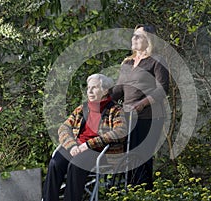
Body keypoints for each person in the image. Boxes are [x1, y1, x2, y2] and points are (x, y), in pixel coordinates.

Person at [42, 73, 127, 201]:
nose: (90, 91)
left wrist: (88, 144)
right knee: (55, 163)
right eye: (88, 88)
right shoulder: (82, 109)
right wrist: (72, 146)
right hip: (76, 146)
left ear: (104, 90)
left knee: (76, 165)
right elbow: (64, 128)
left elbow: (120, 132)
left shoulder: (115, 110)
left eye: (94, 88)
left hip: (98, 151)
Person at [112, 24, 169, 190]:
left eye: (138, 36)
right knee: (128, 158)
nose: (133, 38)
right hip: (127, 116)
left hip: (149, 117)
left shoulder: (156, 61)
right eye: (133, 35)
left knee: (141, 158)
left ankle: (144, 194)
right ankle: (130, 192)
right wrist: (101, 100)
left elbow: (162, 88)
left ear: (148, 40)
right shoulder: (128, 62)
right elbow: (119, 89)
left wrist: (142, 103)